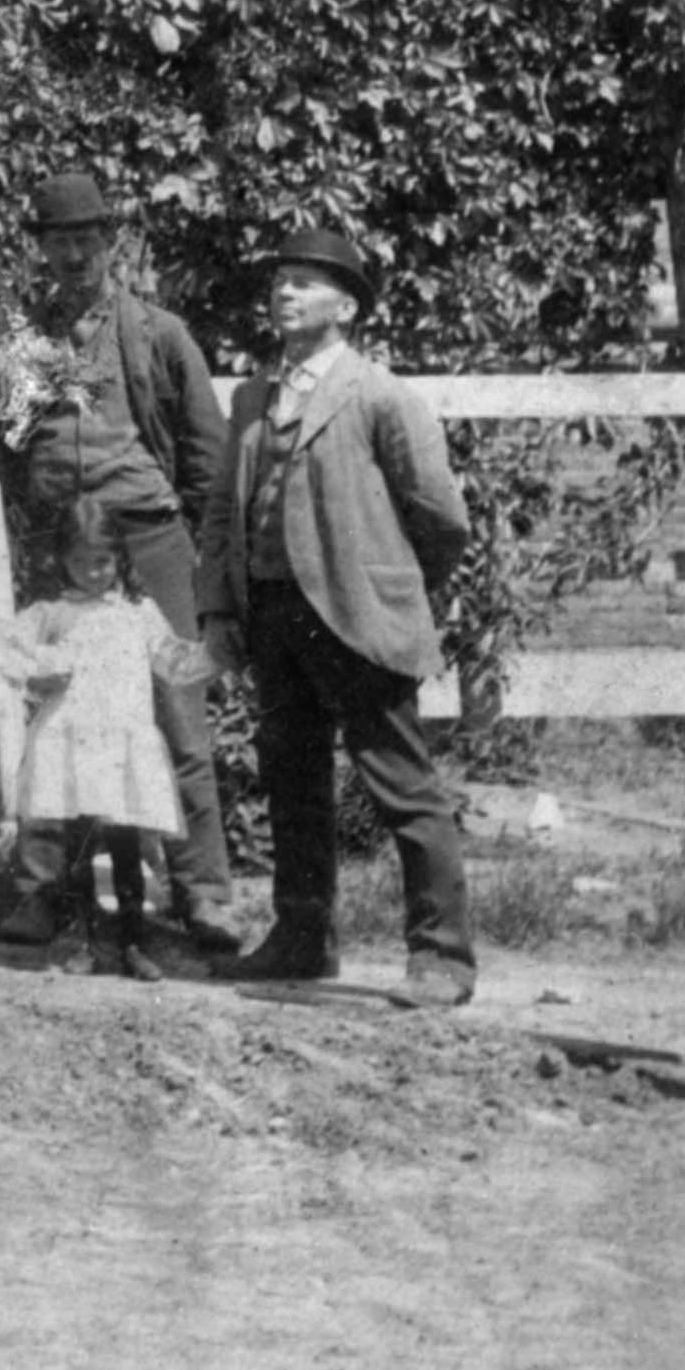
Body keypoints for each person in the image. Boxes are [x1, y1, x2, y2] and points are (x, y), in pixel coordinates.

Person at [209, 222, 479, 1009]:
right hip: (275, 617)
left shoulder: (377, 395)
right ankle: (302, 939)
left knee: (402, 784)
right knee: (293, 782)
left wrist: (386, 587)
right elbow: (224, 515)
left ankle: (442, 958)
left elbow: (441, 516)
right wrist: (223, 607)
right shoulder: (254, 399)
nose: (285, 293)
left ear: (348, 308)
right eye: (279, 281)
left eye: (305, 282)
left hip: (357, 619)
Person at [0, 168, 241, 954]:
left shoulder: (158, 334)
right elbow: (2, 445)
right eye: (58, 241)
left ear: (110, 241)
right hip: (68, 542)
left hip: (150, 538)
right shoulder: (23, 347)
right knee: (57, 714)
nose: (74, 256)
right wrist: (49, 514)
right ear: (41, 249)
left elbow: (206, 454)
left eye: (86, 239)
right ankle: (43, 890)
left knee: (178, 713)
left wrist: (190, 554)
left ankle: (204, 896)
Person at [0, 495, 191, 979]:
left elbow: (172, 660)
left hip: (122, 750)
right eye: (81, 562)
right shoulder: (53, 613)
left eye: (102, 561)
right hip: (74, 750)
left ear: (120, 557)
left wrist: (215, 656)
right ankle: (85, 941)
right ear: (62, 561)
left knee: (126, 846)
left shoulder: (138, 612)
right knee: (80, 848)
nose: (93, 573)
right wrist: (40, 674)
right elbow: (8, 653)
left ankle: (133, 943)